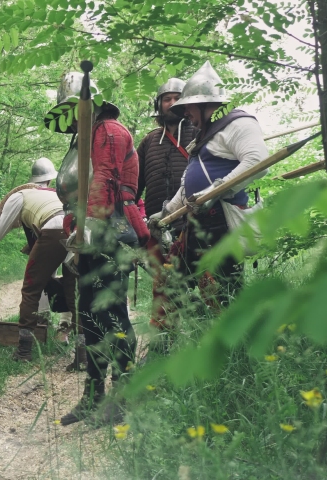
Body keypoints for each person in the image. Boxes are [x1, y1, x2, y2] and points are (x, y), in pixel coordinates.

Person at [43, 72, 149, 426]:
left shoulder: (111, 133)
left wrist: (86, 229)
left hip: (111, 233)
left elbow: (103, 186)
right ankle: (94, 393)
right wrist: (75, 232)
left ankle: (124, 393)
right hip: (88, 237)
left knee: (111, 314)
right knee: (88, 315)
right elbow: (74, 195)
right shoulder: (81, 141)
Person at [150, 61, 269, 309]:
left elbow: (258, 162)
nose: (185, 114)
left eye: (188, 107)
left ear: (205, 103)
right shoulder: (205, 134)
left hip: (223, 225)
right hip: (196, 225)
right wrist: (166, 213)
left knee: (222, 293)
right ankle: (167, 342)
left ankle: (232, 345)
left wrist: (213, 192)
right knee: (170, 285)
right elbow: (188, 185)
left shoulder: (239, 123)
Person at [0, 157, 82, 365]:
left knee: (31, 289)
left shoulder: (21, 195)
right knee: (73, 291)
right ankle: (82, 354)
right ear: (50, 181)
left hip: (53, 230)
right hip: (77, 229)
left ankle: (24, 351)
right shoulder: (60, 194)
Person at [135, 78, 199, 347]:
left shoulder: (200, 132)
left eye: (176, 97)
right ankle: (162, 345)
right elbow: (133, 185)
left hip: (196, 223)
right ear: (159, 104)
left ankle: (212, 346)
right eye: (166, 98)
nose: (171, 103)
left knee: (207, 283)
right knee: (163, 289)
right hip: (158, 227)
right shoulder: (148, 141)